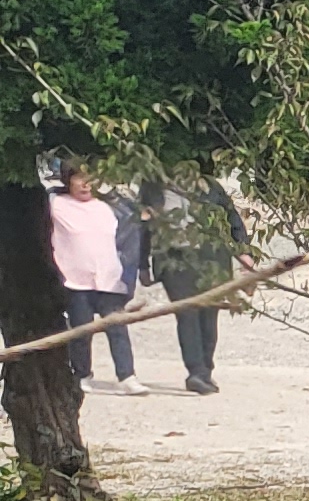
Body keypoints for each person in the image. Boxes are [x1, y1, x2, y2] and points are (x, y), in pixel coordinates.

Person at [46, 161, 143, 396]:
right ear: (68, 180)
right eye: (79, 177)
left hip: (109, 278)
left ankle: (127, 375)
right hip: (75, 279)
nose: (85, 183)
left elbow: (127, 240)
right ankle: (82, 374)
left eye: (90, 177)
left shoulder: (109, 207)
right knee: (81, 330)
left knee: (117, 328)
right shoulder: (57, 205)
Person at [144, 174, 245, 395]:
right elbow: (143, 227)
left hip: (212, 258)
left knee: (209, 316)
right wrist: (142, 264)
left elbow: (231, 216)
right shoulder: (152, 186)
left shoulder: (209, 186)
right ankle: (196, 371)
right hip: (175, 261)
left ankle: (206, 368)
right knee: (187, 313)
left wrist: (243, 249)